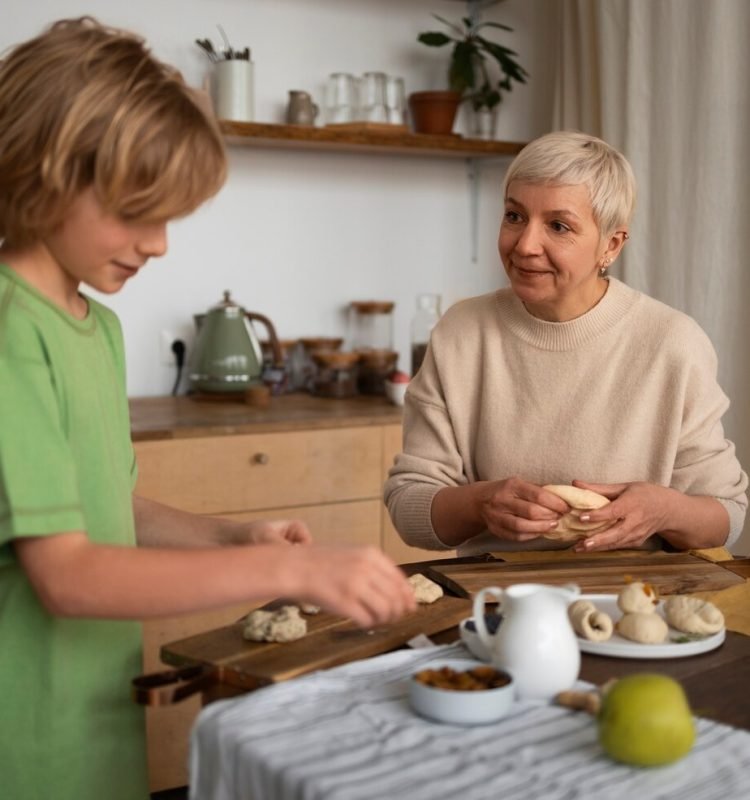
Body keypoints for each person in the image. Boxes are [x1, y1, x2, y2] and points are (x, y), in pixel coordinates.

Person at [0, 18, 415, 800]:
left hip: (94, 717)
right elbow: (68, 576)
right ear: (42, 173)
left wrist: (230, 536)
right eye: (136, 211)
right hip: (24, 742)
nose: (159, 244)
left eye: (168, 218)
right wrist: (287, 567)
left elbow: (105, 507)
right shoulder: (11, 331)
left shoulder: (95, 327)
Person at [385, 130, 748, 557]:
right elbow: (409, 504)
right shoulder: (461, 333)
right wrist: (480, 503)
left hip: (636, 592)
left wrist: (663, 511)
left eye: (558, 226)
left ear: (611, 245)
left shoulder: (673, 343)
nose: (525, 245)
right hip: (494, 594)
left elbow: (727, 516)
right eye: (514, 216)